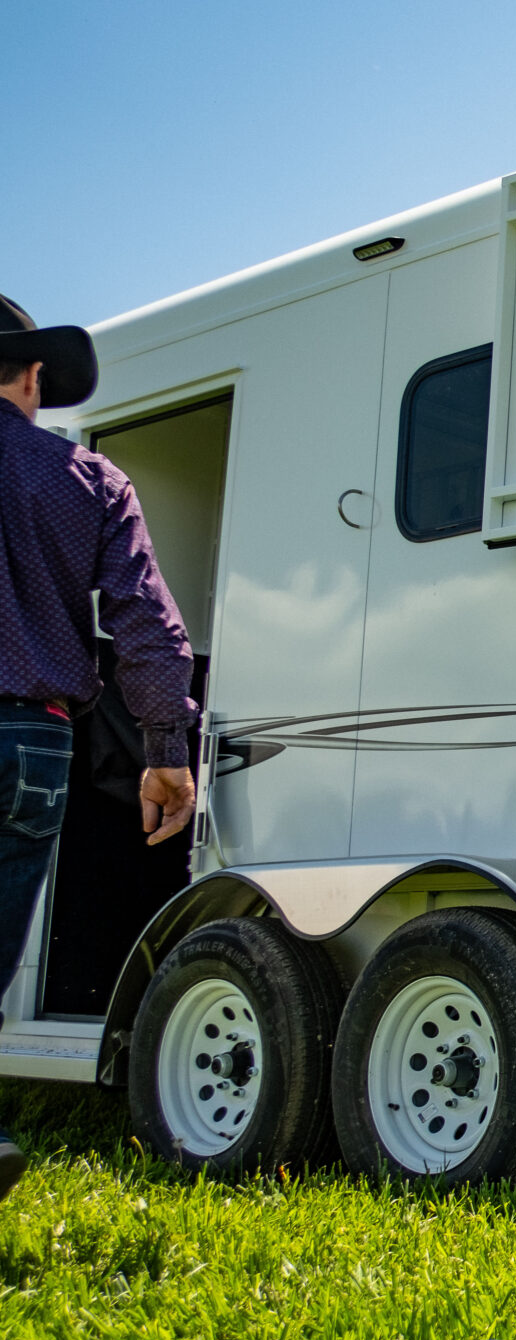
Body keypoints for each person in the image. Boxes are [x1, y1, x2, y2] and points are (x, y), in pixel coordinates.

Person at [0, 293, 198, 1201]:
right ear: (33, 375)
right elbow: (148, 624)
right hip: (31, 745)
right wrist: (166, 749)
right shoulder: (88, 480)